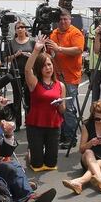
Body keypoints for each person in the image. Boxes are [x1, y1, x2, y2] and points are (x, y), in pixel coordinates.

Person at [24, 35, 66, 171]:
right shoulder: (34, 82)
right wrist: (36, 50)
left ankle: (39, 153)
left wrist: (60, 104)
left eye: (49, 64)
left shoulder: (60, 85)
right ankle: (31, 153)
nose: (48, 68)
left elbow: (62, 111)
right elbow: (27, 70)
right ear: (39, 69)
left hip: (53, 125)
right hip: (35, 124)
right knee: (37, 164)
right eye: (44, 66)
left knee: (50, 164)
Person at [0, 119, 56, 202]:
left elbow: (6, 151)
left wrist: (9, 133)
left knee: (14, 165)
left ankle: (23, 187)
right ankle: (27, 196)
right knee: (10, 168)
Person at [62, 100, 101, 195]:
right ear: (93, 115)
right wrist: (91, 143)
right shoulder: (87, 125)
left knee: (98, 164)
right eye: (97, 119)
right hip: (88, 156)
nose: (100, 121)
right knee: (88, 151)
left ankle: (79, 182)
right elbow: (81, 149)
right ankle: (100, 179)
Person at [47, 7, 84, 149]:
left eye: (65, 19)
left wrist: (59, 49)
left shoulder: (75, 33)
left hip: (70, 77)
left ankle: (71, 137)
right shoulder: (54, 33)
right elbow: (51, 53)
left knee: (68, 107)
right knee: (57, 105)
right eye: (60, 19)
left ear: (70, 19)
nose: (62, 22)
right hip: (55, 76)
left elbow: (78, 50)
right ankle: (62, 133)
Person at [6, 20, 35, 130]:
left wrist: (30, 56)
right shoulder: (11, 43)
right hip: (15, 72)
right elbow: (6, 58)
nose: (21, 29)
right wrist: (15, 55)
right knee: (17, 97)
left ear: (26, 29)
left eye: (22, 27)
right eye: (18, 27)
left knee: (28, 97)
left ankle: (29, 121)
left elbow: (38, 56)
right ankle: (17, 123)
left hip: (29, 72)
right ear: (15, 30)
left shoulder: (32, 42)